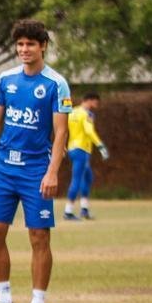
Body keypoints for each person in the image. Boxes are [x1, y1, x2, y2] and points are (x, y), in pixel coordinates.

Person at [0, 19, 72, 303]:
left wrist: (52, 171)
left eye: (31, 44)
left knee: (39, 235)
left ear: (43, 47)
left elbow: (61, 133)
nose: (25, 50)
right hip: (3, 168)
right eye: (20, 45)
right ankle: (3, 300)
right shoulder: (6, 80)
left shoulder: (56, 84)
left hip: (35, 169)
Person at [63, 92, 108, 221]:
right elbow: (89, 131)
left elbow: (65, 129)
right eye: (96, 102)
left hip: (73, 147)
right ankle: (68, 211)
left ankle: (84, 209)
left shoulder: (72, 112)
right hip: (81, 149)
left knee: (88, 177)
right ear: (90, 100)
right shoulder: (87, 114)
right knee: (77, 179)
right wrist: (100, 146)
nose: (96, 106)